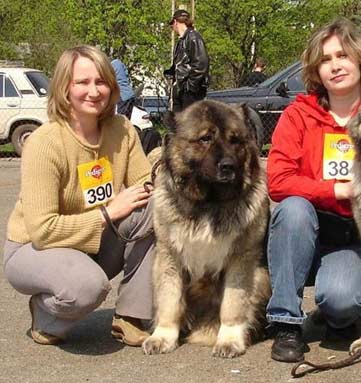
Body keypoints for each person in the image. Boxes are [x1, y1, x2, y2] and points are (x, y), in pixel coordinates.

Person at [3, 45, 154, 347]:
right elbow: (43, 230)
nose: (94, 91)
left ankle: (130, 315)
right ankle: (46, 313)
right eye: (82, 82)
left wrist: (166, 165)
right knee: (86, 288)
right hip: (34, 248)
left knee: (154, 207)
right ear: (64, 87)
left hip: (93, 238)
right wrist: (108, 213)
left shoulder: (123, 130)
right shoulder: (45, 143)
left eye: (101, 82)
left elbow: (145, 183)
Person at [266, 17, 361, 363]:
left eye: (343, 55)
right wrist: (336, 190)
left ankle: (340, 315)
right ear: (315, 70)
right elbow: (277, 180)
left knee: (341, 300)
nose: (335, 66)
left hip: (352, 236)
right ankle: (285, 322)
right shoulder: (298, 115)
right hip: (305, 228)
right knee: (292, 207)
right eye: (325, 59)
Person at [164, 9, 210, 113]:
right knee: (179, 121)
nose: (172, 27)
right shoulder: (182, 41)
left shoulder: (193, 37)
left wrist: (190, 86)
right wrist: (170, 73)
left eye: (172, 24)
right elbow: (181, 64)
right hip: (181, 88)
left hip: (190, 91)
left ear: (176, 22)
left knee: (190, 122)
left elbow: (201, 64)